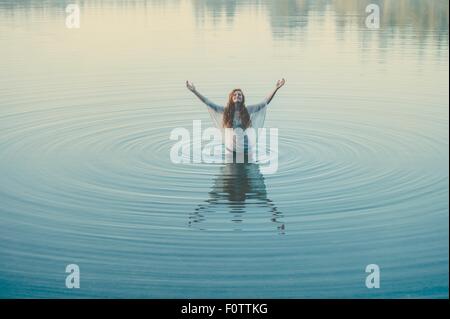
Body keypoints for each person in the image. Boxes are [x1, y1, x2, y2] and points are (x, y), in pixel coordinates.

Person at [186, 79, 285, 160]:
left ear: (242, 98)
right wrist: (194, 91)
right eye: (235, 95)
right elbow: (207, 102)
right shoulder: (226, 111)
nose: (237, 96)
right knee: (230, 178)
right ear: (231, 98)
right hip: (231, 148)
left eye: (239, 95)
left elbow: (265, 102)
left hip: (246, 147)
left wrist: (276, 88)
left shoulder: (248, 110)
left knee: (246, 178)